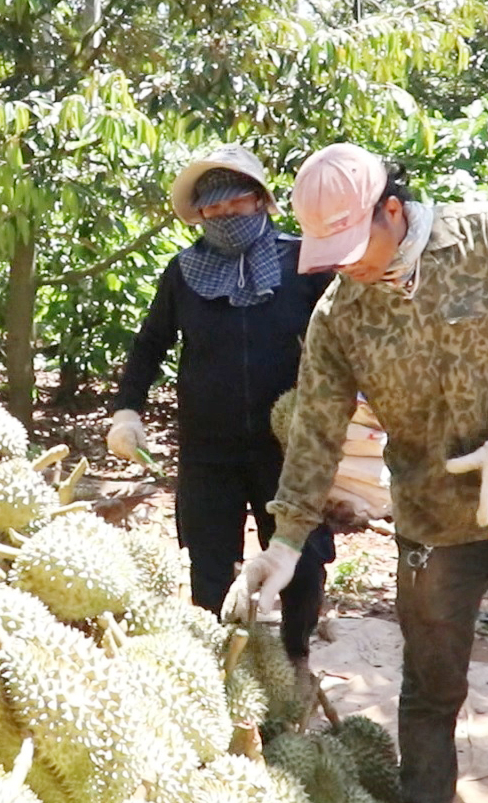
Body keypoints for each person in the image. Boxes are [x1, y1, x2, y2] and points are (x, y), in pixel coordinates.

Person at [224, 142, 488, 803]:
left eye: (354, 244)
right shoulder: (337, 316)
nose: (348, 264)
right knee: (430, 682)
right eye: (333, 253)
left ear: (391, 208)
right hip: (431, 520)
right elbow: (316, 429)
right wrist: (285, 542)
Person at [106, 144, 335, 675]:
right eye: (212, 209)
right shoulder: (184, 272)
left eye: (235, 205)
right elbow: (150, 344)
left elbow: (348, 339)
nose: (224, 216)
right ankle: (216, 668)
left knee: (300, 559)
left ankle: (297, 657)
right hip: (208, 446)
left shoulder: (304, 262)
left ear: (260, 202)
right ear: (200, 214)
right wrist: (127, 410)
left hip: (288, 448)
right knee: (210, 565)